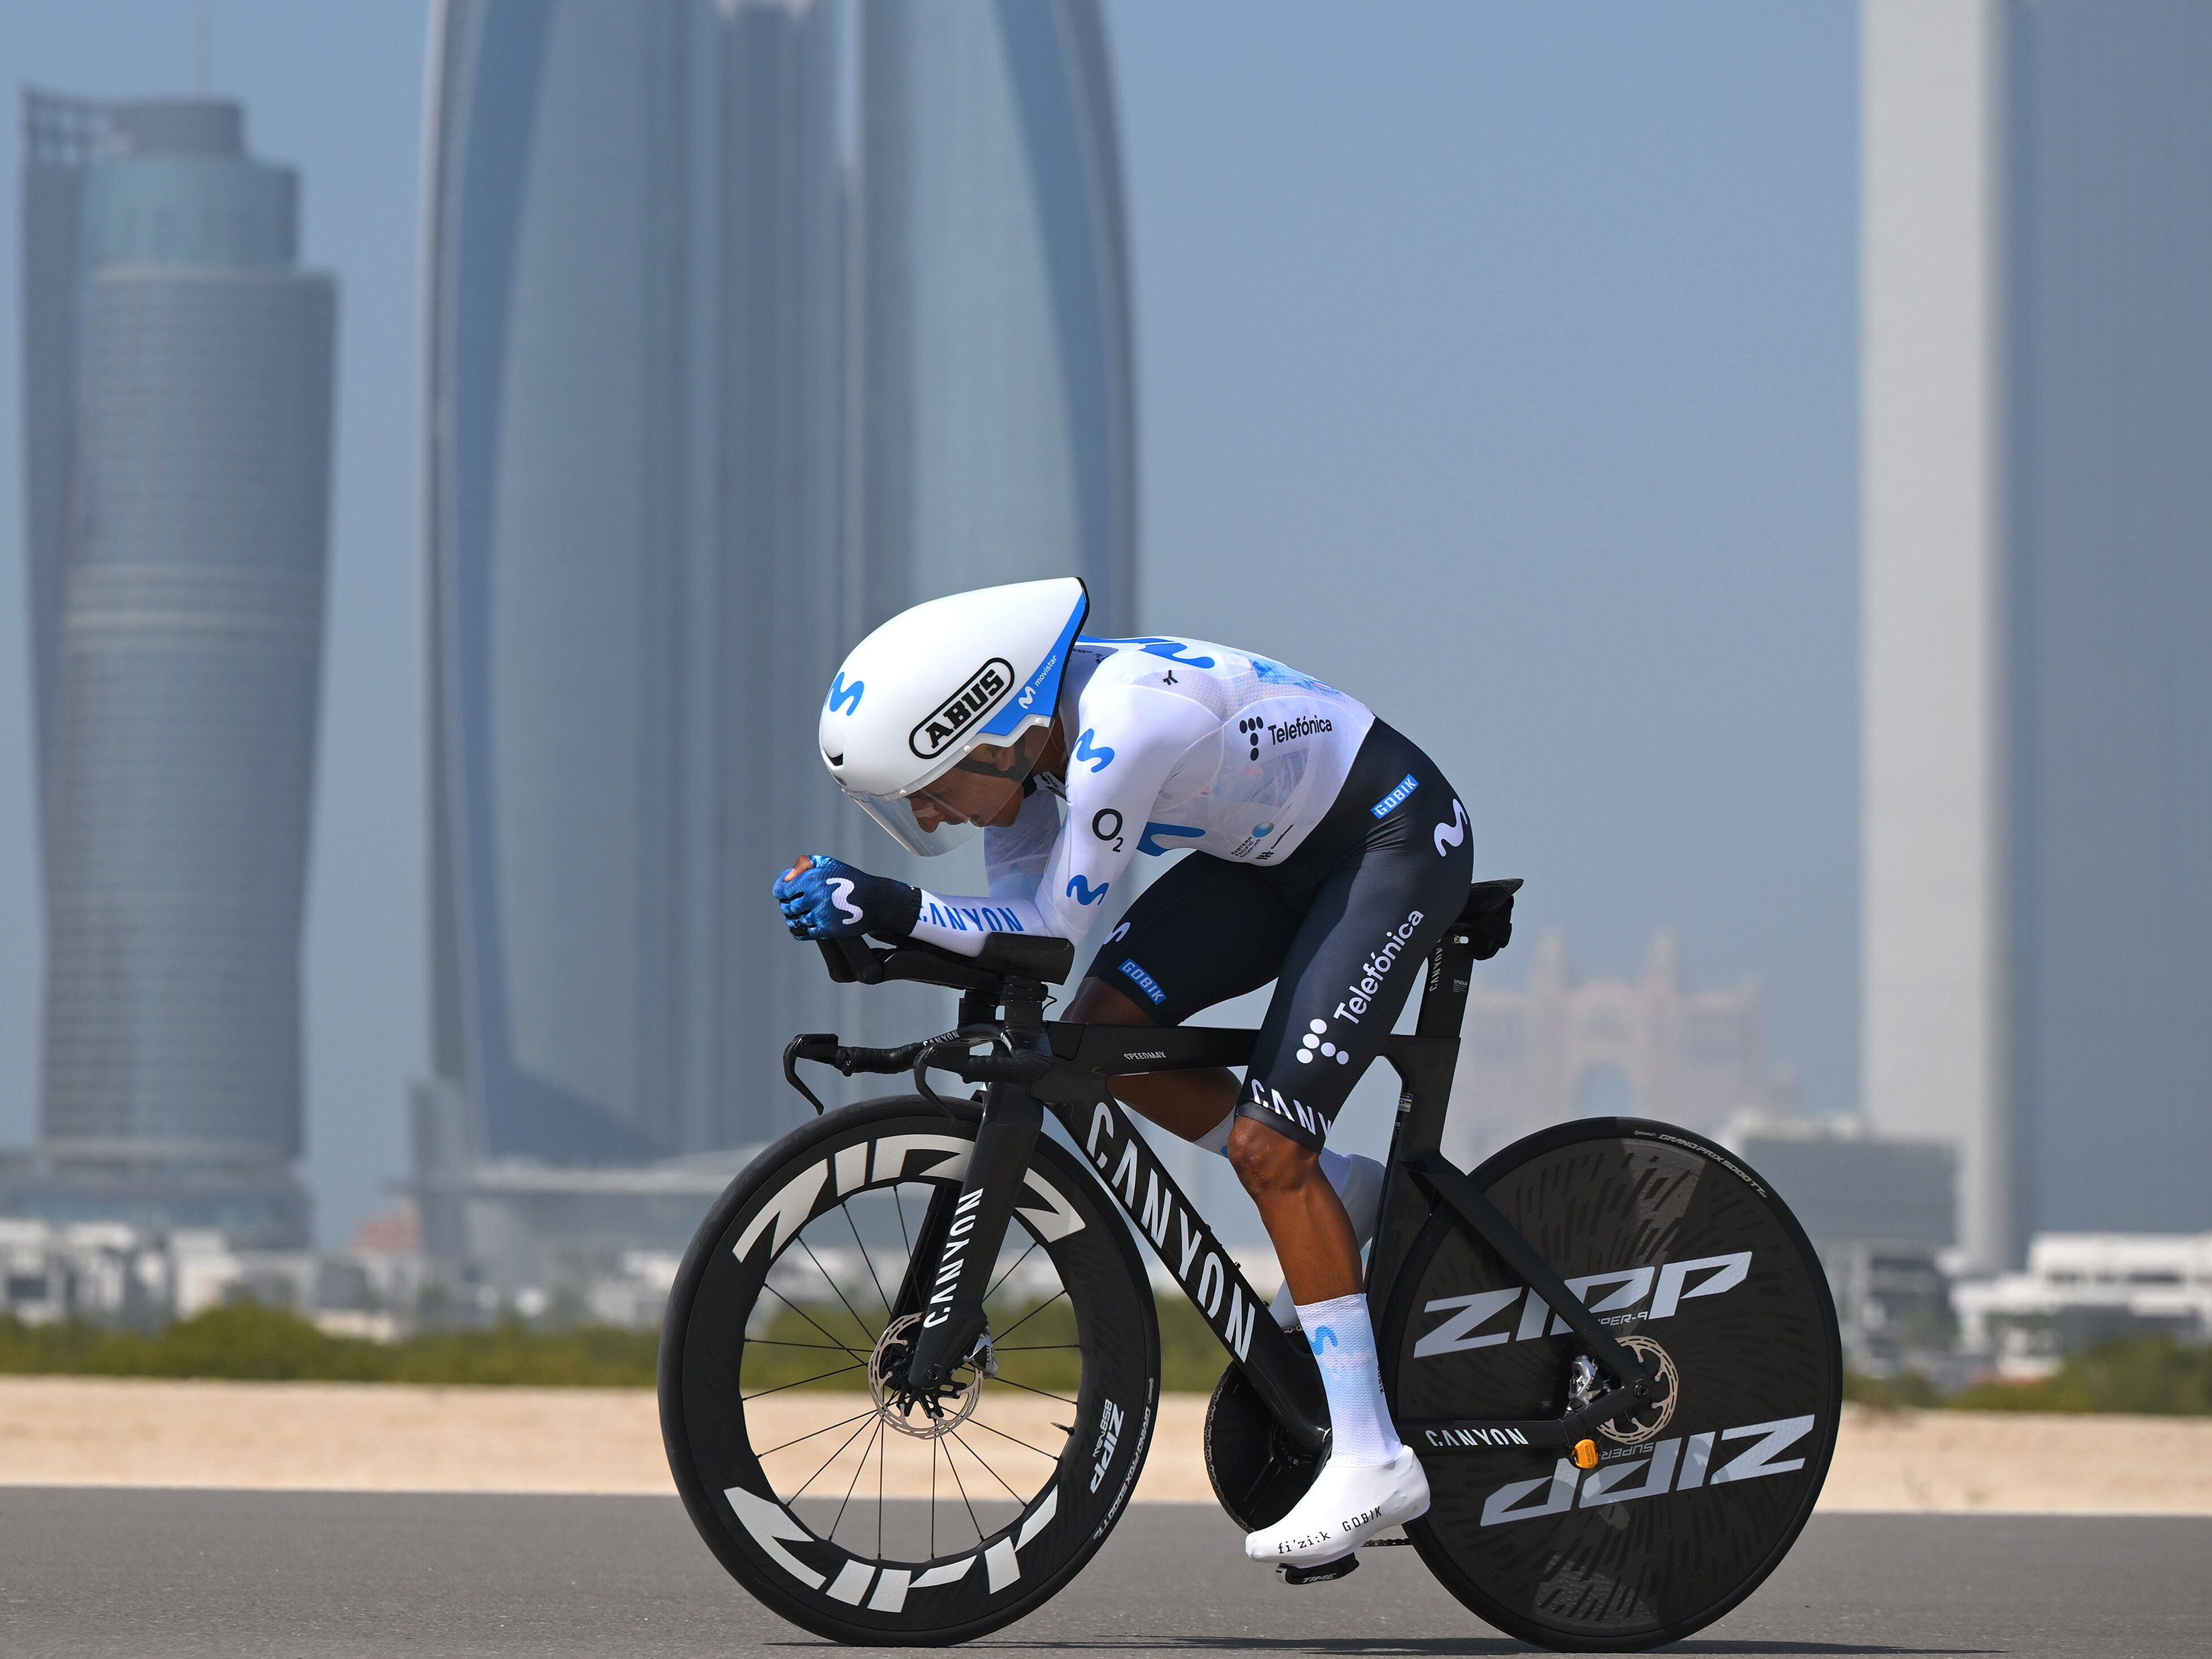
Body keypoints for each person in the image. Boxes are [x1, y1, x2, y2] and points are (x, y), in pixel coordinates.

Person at [772, 577, 1484, 1572]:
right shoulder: (1028, 765)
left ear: (997, 731)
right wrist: (882, 923)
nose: (930, 809)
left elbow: (1053, 934)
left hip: (1389, 841)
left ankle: (1371, 1456)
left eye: (930, 784)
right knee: (1098, 1038)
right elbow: (1017, 939)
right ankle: (1355, 1200)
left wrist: (892, 906)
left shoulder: (1122, 734)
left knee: (1271, 1148)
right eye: (911, 801)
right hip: (1273, 857)